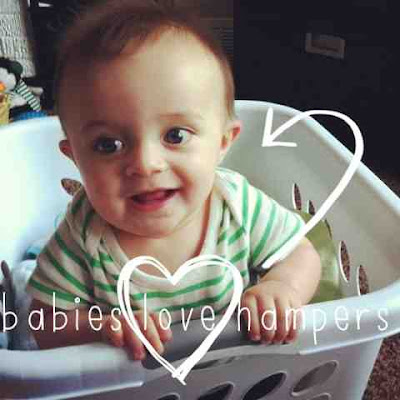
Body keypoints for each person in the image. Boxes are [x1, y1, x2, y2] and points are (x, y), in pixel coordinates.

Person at [27, 1, 321, 361]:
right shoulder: (83, 233)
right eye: (108, 145)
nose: (146, 164)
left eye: (175, 136)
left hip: (241, 372)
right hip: (134, 382)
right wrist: (102, 327)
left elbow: (300, 253)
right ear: (74, 156)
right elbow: (45, 322)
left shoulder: (236, 203)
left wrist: (282, 286)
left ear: (223, 142)